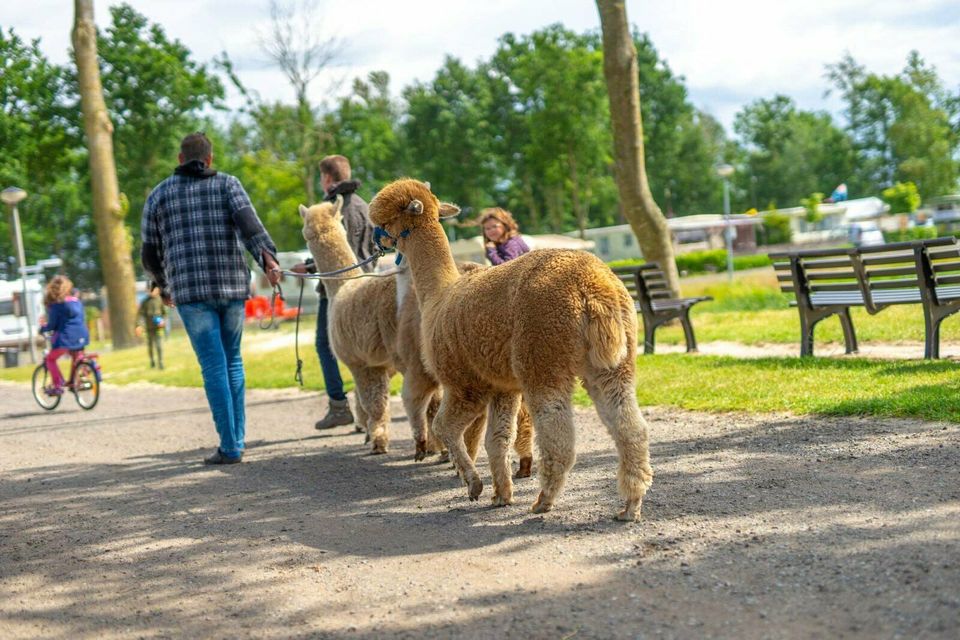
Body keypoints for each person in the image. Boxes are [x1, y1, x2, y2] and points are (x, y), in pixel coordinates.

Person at [141, 132, 282, 465]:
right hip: (232, 288)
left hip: (190, 294)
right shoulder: (228, 185)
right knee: (232, 360)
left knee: (213, 365)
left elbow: (149, 252)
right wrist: (268, 261)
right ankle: (238, 439)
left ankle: (230, 446)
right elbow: (251, 228)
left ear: (180, 159)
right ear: (210, 159)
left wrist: (162, 284)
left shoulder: (159, 195)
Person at [292, 155, 378, 431]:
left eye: (321, 178)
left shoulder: (334, 210)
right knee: (365, 350)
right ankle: (365, 411)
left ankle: (339, 405)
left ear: (327, 178)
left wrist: (308, 266)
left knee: (328, 346)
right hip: (367, 283)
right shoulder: (365, 205)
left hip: (338, 290)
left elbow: (340, 253)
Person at [38, 275, 89, 395]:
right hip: (82, 336)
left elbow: (51, 325)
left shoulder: (56, 305)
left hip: (65, 339)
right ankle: (73, 382)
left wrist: (42, 329)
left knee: (50, 359)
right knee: (76, 356)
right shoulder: (77, 301)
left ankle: (57, 385)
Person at [138, 286, 167, 370]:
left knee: (159, 345)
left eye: (153, 290)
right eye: (149, 290)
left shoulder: (160, 300)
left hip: (158, 327)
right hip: (149, 327)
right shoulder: (145, 302)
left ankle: (160, 362)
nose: (152, 292)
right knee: (150, 345)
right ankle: (152, 361)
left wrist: (163, 321)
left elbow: (164, 313)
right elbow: (140, 314)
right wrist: (140, 325)